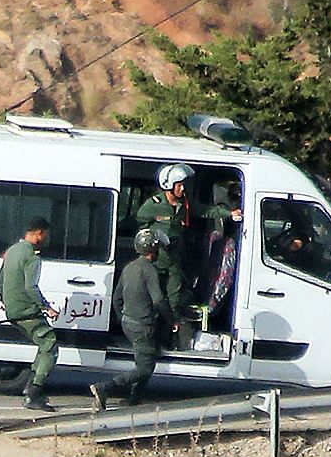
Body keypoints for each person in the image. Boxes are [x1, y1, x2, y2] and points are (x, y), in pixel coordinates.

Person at [135, 163, 241, 317]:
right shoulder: (153, 205)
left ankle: (172, 323)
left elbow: (205, 211)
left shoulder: (183, 204)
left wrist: (228, 213)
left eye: (183, 185)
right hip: (157, 259)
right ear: (169, 185)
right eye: (179, 185)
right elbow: (140, 223)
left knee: (174, 295)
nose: (182, 189)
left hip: (174, 257)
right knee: (152, 294)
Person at [91, 229, 178, 410]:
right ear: (153, 250)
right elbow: (159, 300)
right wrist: (172, 321)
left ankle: (135, 398)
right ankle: (105, 388)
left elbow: (117, 298)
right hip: (143, 325)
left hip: (128, 323)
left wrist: (122, 318)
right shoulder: (150, 271)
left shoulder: (129, 267)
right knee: (145, 368)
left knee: (147, 360)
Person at [0, 217, 60, 412]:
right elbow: (30, 286)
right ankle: (34, 392)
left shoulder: (12, 251)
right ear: (39, 233)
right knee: (50, 345)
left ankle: (31, 387)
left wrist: (7, 300)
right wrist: (46, 307)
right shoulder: (32, 255)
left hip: (12, 310)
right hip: (27, 311)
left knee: (42, 345)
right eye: (45, 234)